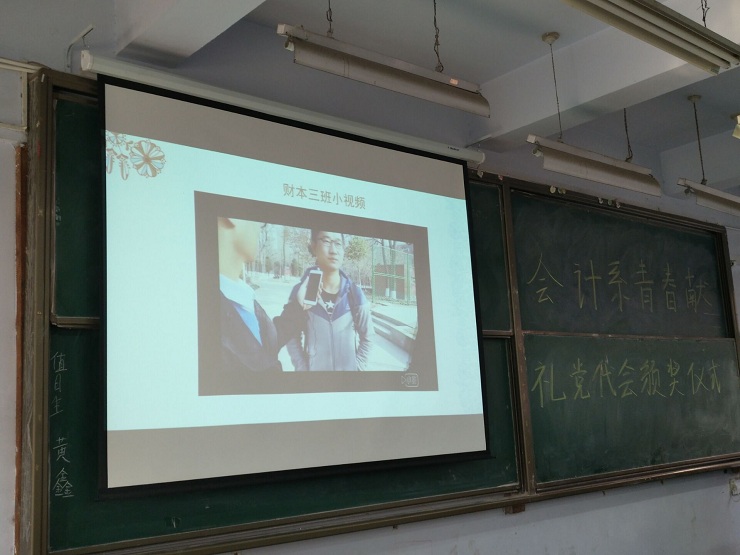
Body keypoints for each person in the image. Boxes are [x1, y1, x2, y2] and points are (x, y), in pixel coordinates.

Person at [216, 217, 303, 375]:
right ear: (233, 217)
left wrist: (299, 304)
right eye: (260, 223)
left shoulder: (243, 296)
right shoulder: (205, 314)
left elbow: (265, 346)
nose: (260, 228)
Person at [286, 230, 373, 371]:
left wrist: (357, 368)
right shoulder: (300, 293)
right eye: (326, 241)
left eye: (338, 243)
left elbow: (368, 336)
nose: (333, 250)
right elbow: (291, 337)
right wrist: (303, 370)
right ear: (314, 246)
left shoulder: (355, 294)